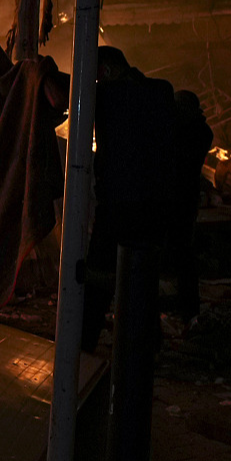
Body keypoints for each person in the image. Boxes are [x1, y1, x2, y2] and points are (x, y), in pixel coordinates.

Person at [81, 47, 178, 352]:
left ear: (106, 71)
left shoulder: (109, 98)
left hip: (117, 205)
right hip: (153, 206)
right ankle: (146, 346)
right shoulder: (160, 92)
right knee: (141, 277)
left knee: (98, 278)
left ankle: (84, 345)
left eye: (96, 76)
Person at [166, 90, 213, 321]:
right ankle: (183, 304)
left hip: (180, 198)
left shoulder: (195, 132)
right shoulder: (199, 130)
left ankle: (186, 305)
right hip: (181, 197)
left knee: (181, 253)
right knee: (180, 252)